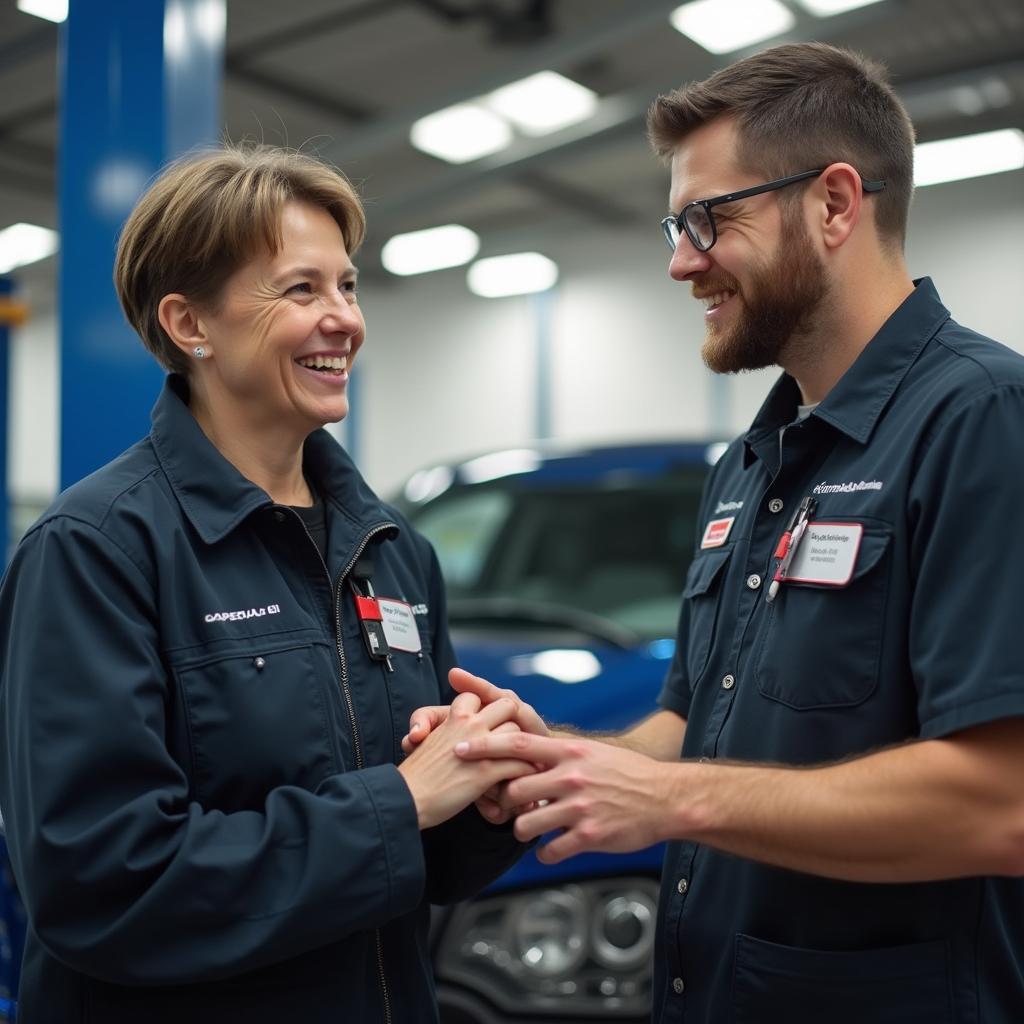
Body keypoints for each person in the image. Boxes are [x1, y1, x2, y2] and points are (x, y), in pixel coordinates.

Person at [407, 42, 1024, 1024]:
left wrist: (671, 802)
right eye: (674, 222)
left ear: (832, 204)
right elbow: (692, 723)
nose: (679, 258)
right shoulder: (754, 463)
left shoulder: (981, 419)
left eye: (709, 218)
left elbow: (1001, 806)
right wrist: (556, 755)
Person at [0, 145, 534, 1023]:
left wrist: (488, 790)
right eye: (300, 289)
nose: (345, 319)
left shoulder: (390, 549)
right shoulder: (96, 550)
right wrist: (399, 800)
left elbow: (421, 863)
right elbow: (101, 883)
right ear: (189, 324)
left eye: (349, 286)